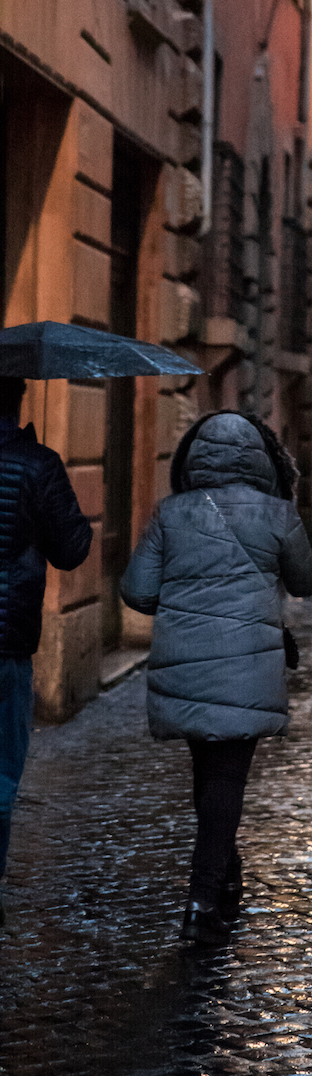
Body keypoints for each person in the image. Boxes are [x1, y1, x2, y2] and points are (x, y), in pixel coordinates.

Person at [120, 411, 312, 947]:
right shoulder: (278, 513)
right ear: (262, 459)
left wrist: (188, 598)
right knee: (226, 780)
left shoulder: (171, 513)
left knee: (207, 774)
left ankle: (223, 880)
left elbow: (137, 592)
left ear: (192, 456)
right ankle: (203, 898)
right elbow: (308, 581)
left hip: (185, 662)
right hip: (249, 666)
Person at [0, 377, 92, 923]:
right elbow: (75, 549)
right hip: (8, 644)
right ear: (19, 399)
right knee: (3, 771)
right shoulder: (39, 465)